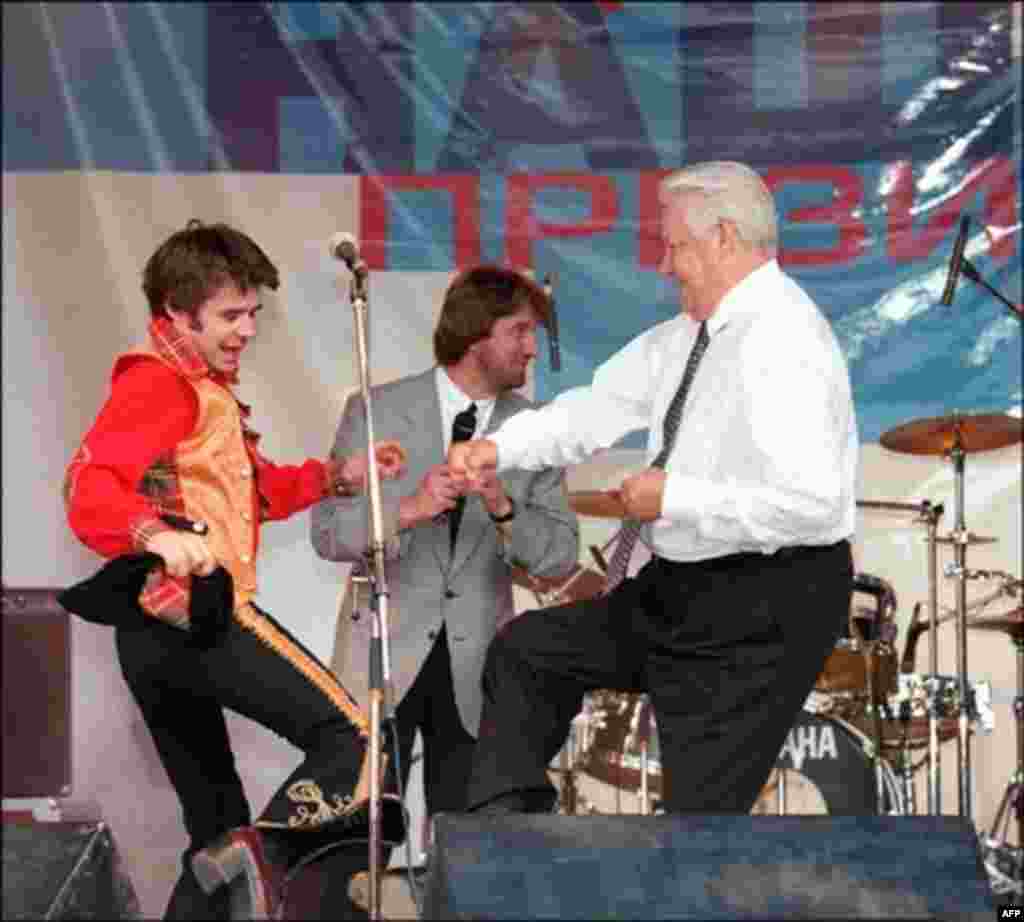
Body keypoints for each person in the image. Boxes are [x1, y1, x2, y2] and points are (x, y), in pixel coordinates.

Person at [448, 161, 858, 816]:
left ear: (724, 238)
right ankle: (510, 841)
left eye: (676, 248)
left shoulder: (788, 339)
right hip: (681, 587)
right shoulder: (685, 336)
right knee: (529, 653)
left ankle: (690, 865)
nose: (665, 267)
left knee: (698, 819)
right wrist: (499, 448)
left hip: (766, 605)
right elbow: (594, 408)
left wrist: (674, 498)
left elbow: (813, 505)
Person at [62, 220, 407, 921]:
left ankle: (242, 859)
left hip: (151, 637)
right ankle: (269, 856)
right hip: (197, 618)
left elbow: (251, 492)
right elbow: (87, 485)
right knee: (359, 743)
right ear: (177, 312)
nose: (247, 330)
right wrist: (154, 533)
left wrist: (336, 477)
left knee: (215, 827)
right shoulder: (161, 384)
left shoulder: (199, 389)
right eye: (230, 316)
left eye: (253, 313)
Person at [311, 265, 579, 853]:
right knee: (353, 845)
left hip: (478, 668)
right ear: (476, 334)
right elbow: (328, 534)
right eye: (520, 331)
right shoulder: (376, 410)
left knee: (465, 852)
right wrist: (409, 509)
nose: (532, 349)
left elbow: (560, 557)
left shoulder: (537, 431)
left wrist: (503, 506)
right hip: (380, 660)